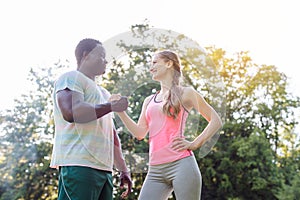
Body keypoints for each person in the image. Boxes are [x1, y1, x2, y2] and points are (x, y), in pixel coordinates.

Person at [112, 50, 222, 200]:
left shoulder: (186, 93)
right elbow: (139, 133)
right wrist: (120, 112)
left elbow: (216, 121)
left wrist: (195, 144)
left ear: (169, 63)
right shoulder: (149, 101)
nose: (151, 67)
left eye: (155, 62)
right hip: (155, 170)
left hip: (182, 165)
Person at [50, 38, 132, 200]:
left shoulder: (105, 93)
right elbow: (72, 112)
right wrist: (112, 106)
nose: (106, 60)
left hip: (104, 169)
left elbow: (111, 134)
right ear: (85, 55)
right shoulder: (71, 77)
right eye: (101, 55)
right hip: (79, 165)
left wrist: (123, 168)